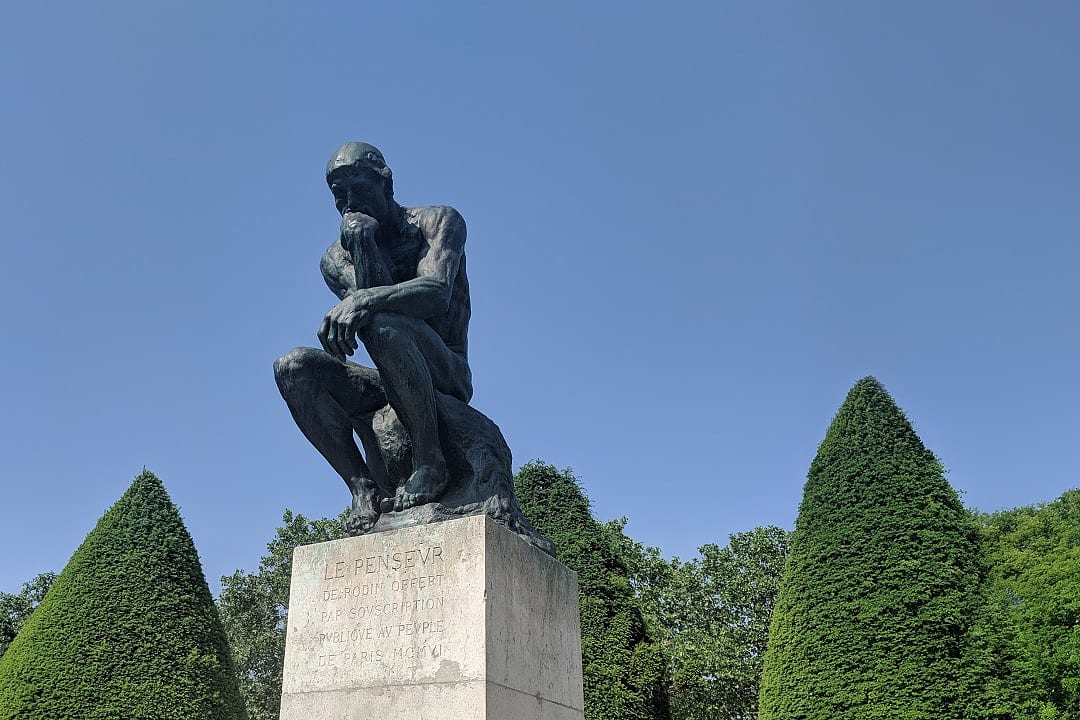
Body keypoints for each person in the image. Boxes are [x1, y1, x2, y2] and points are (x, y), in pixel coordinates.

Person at [274, 142, 472, 533]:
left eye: (357, 188)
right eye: (338, 194)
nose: (348, 202)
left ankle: (431, 462)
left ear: (386, 182)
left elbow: (435, 293)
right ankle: (362, 486)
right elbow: (367, 308)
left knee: (383, 322)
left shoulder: (438, 221)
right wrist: (363, 242)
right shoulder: (335, 258)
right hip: (386, 372)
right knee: (293, 366)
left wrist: (364, 298)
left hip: (445, 368)